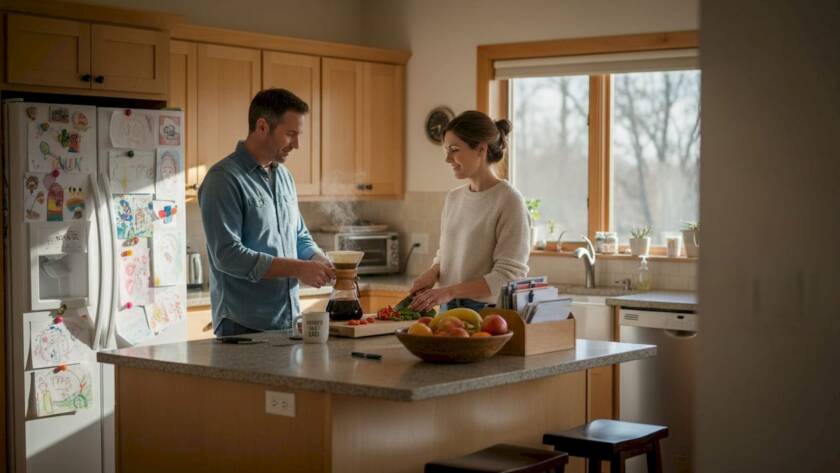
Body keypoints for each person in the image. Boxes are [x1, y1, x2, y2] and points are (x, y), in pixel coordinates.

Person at [199, 88, 334, 337]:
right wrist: (298, 268)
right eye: (290, 134)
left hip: (288, 320)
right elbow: (227, 255)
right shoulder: (223, 179)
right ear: (262, 127)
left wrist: (318, 260)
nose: (297, 145)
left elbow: (299, 236)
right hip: (243, 326)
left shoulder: (284, 177)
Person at [409, 111, 530, 313]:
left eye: (454, 150)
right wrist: (433, 273)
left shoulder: (509, 201)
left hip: (487, 314)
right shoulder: (454, 198)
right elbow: (446, 255)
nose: (448, 159)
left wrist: (449, 292)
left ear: (481, 149)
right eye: (446, 150)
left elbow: (508, 276)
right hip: (447, 309)